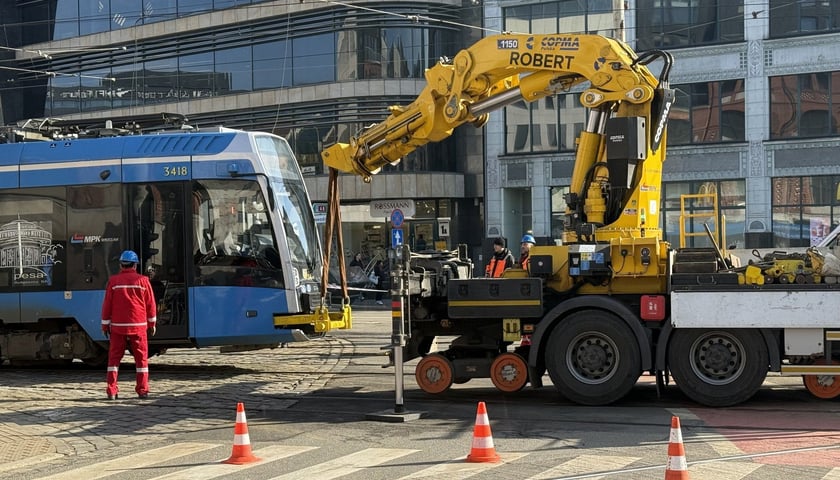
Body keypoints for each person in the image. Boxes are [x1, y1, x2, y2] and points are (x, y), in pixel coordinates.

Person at [101, 250, 157, 400]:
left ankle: (111, 390)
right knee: (141, 360)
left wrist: (105, 325)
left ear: (121, 264)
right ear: (135, 265)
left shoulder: (113, 281)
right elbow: (150, 304)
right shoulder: (143, 281)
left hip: (118, 327)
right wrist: (152, 323)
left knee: (113, 359)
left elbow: (107, 305)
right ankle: (142, 390)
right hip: (139, 326)